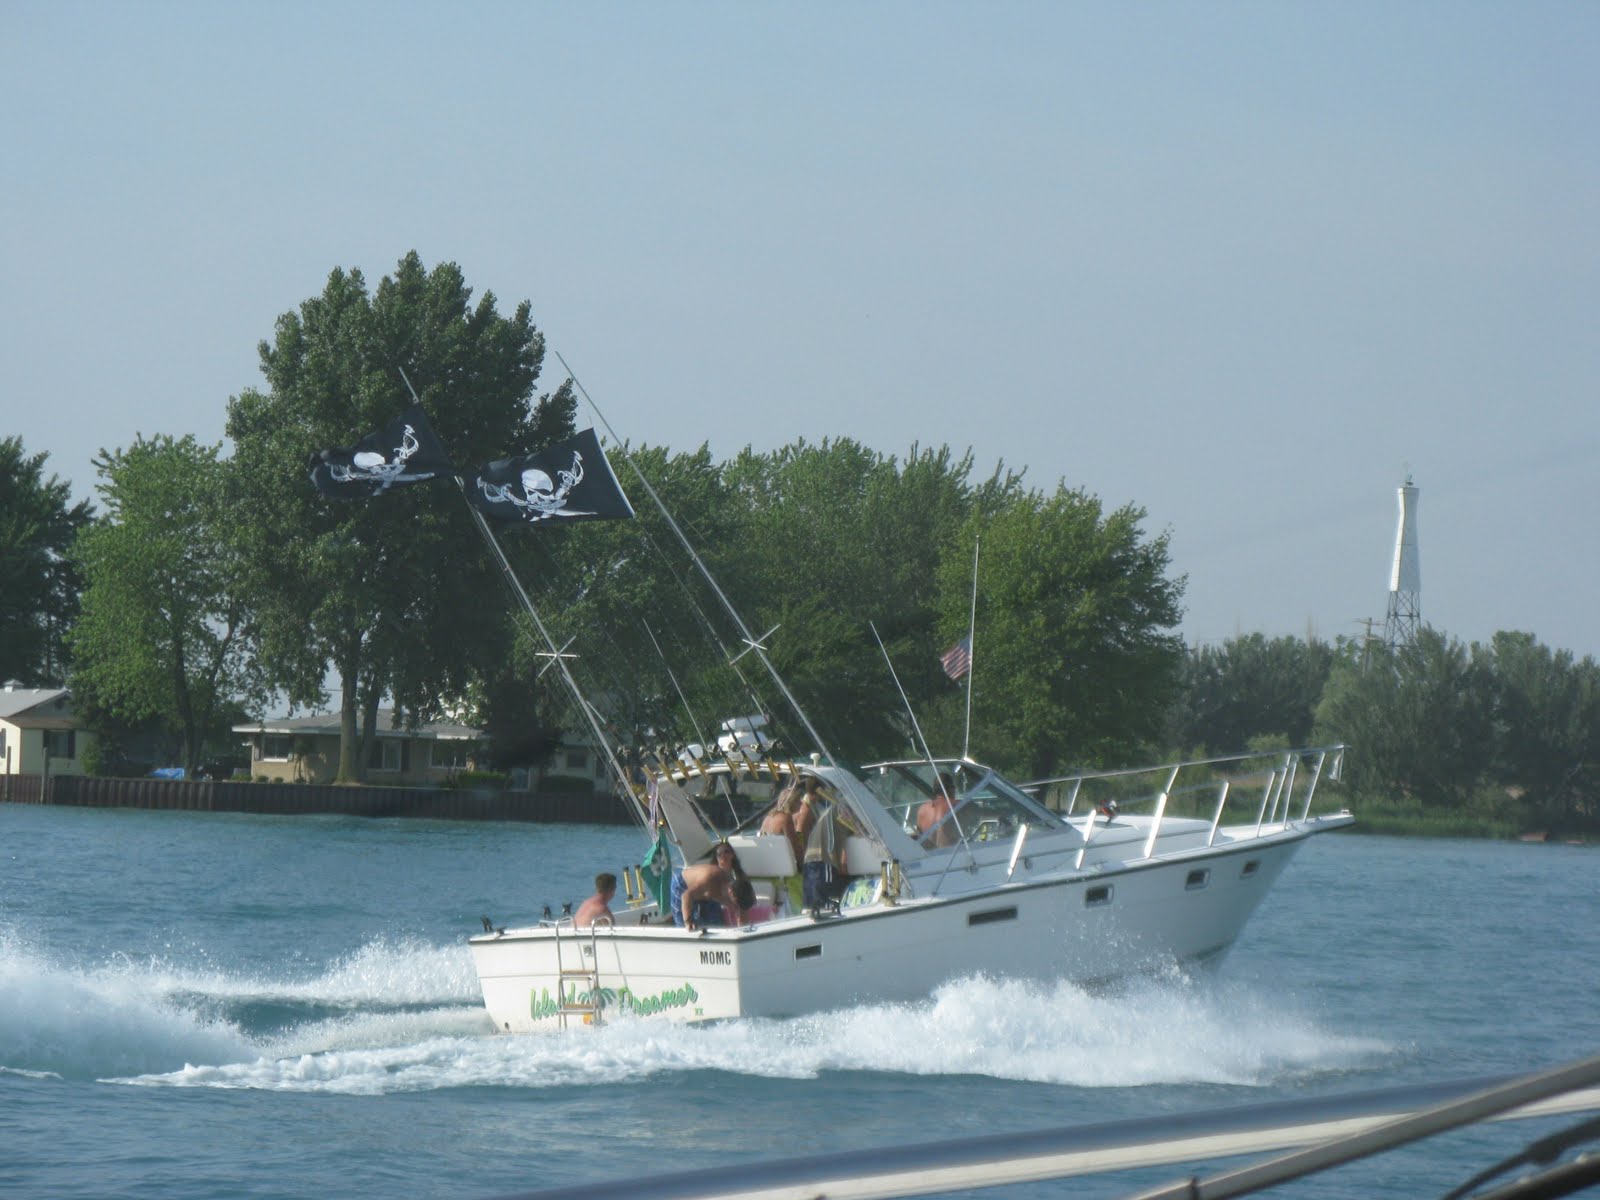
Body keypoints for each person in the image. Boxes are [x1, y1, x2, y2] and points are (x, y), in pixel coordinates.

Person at [798, 776, 853, 910]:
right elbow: (800, 830)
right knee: (825, 905)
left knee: (812, 907)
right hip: (823, 860)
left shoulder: (819, 808)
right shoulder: (839, 807)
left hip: (810, 861)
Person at [672, 842, 749, 931]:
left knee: (716, 924)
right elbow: (686, 896)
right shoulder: (710, 880)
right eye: (719, 854)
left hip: (706, 891)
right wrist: (688, 921)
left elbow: (741, 914)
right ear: (730, 893)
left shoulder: (736, 888)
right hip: (683, 886)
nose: (735, 906)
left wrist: (743, 931)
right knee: (687, 928)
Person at [760, 783, 803, 864]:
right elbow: (794, 847)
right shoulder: (786, 818)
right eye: (799, 801)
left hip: (767, 860)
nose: (801, 804)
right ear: (792, 802)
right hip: (781, 865)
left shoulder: (769, 816)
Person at [916, 772, 960, 848]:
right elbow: (980, 812)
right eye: (953, 787)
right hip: (950, 855)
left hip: (929, 856)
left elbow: (919, 836)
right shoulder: (955, 805)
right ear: (950, 788)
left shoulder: (922, 809)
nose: (955, 790)